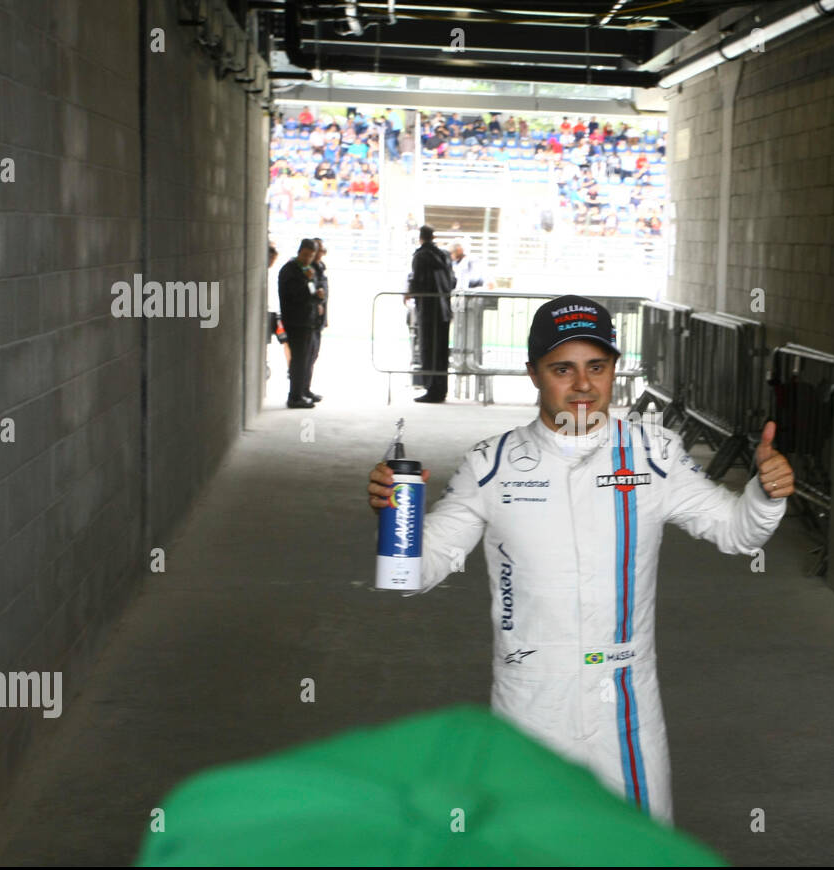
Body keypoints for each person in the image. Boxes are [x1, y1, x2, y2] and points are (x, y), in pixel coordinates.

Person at [366, 295, 796, 823]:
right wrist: (394, 516)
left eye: (597, 366)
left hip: (624, 704)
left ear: (615, 369)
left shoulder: (654, 455)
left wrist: (766, 493)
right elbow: (413, 574)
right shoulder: (491, 464)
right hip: (531, 705)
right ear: (534, 374)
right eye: (562, 369)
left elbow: (736, 532)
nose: (583, 385)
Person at [405, 225, 456, 403]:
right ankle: (441, 389)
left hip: (428, 310)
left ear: (420, 237)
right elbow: (453, 281)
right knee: (441, 352)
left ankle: (431, 389)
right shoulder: (445, 255)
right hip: (444, 310)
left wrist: (409, 292)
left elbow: (417, 282)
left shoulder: (420, 256)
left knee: (429, 350)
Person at [277, 239, 324, 409]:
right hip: (296, 322)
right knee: (298, 360)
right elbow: (296, 295)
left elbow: (310, 293)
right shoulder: (290, 271)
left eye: (311, 256)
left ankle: (304, 391)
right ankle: (295, 396)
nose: (307, 259)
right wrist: (307, 281)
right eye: (305, 255)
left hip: (308, 321)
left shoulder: (307, 270)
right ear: (299, 252)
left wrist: (318, 295)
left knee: (307, 359)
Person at [306, 238, 328, 401]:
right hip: (310, 318)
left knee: (313, 355)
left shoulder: (320, 269)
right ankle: (301, 390)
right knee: (307, 356)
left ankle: (306, 389)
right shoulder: (310, 270)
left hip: (318, 318)